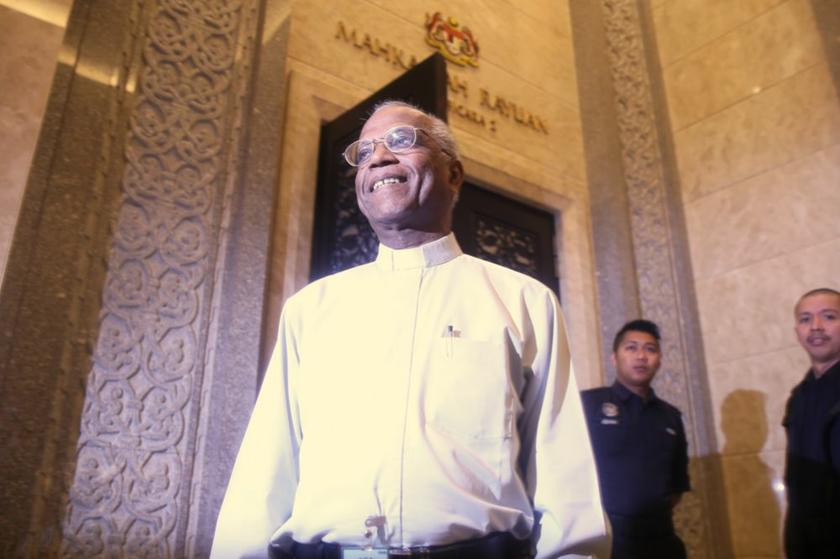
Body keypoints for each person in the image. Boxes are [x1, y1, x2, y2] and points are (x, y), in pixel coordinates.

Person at [210, 101, 609, 559]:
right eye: (364, 152)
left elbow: (563, 468)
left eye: (401, 141)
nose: (378, 158)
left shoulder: (525, 301)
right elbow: (267, 466)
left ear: (453, 174)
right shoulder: (311, 309)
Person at [580, 319, 690, 559]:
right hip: (607, 541)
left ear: (659, 360)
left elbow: (676, 487)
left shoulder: (671, 417)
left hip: (661, 540)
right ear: (614, 358)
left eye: (650, 349)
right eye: (631, 348)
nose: (641, 356)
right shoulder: (587, 405)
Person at [783, 287, 840, 558]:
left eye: (829, 316)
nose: (816, 326)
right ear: (797, 332)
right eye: (805, 319)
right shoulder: (798, 397)